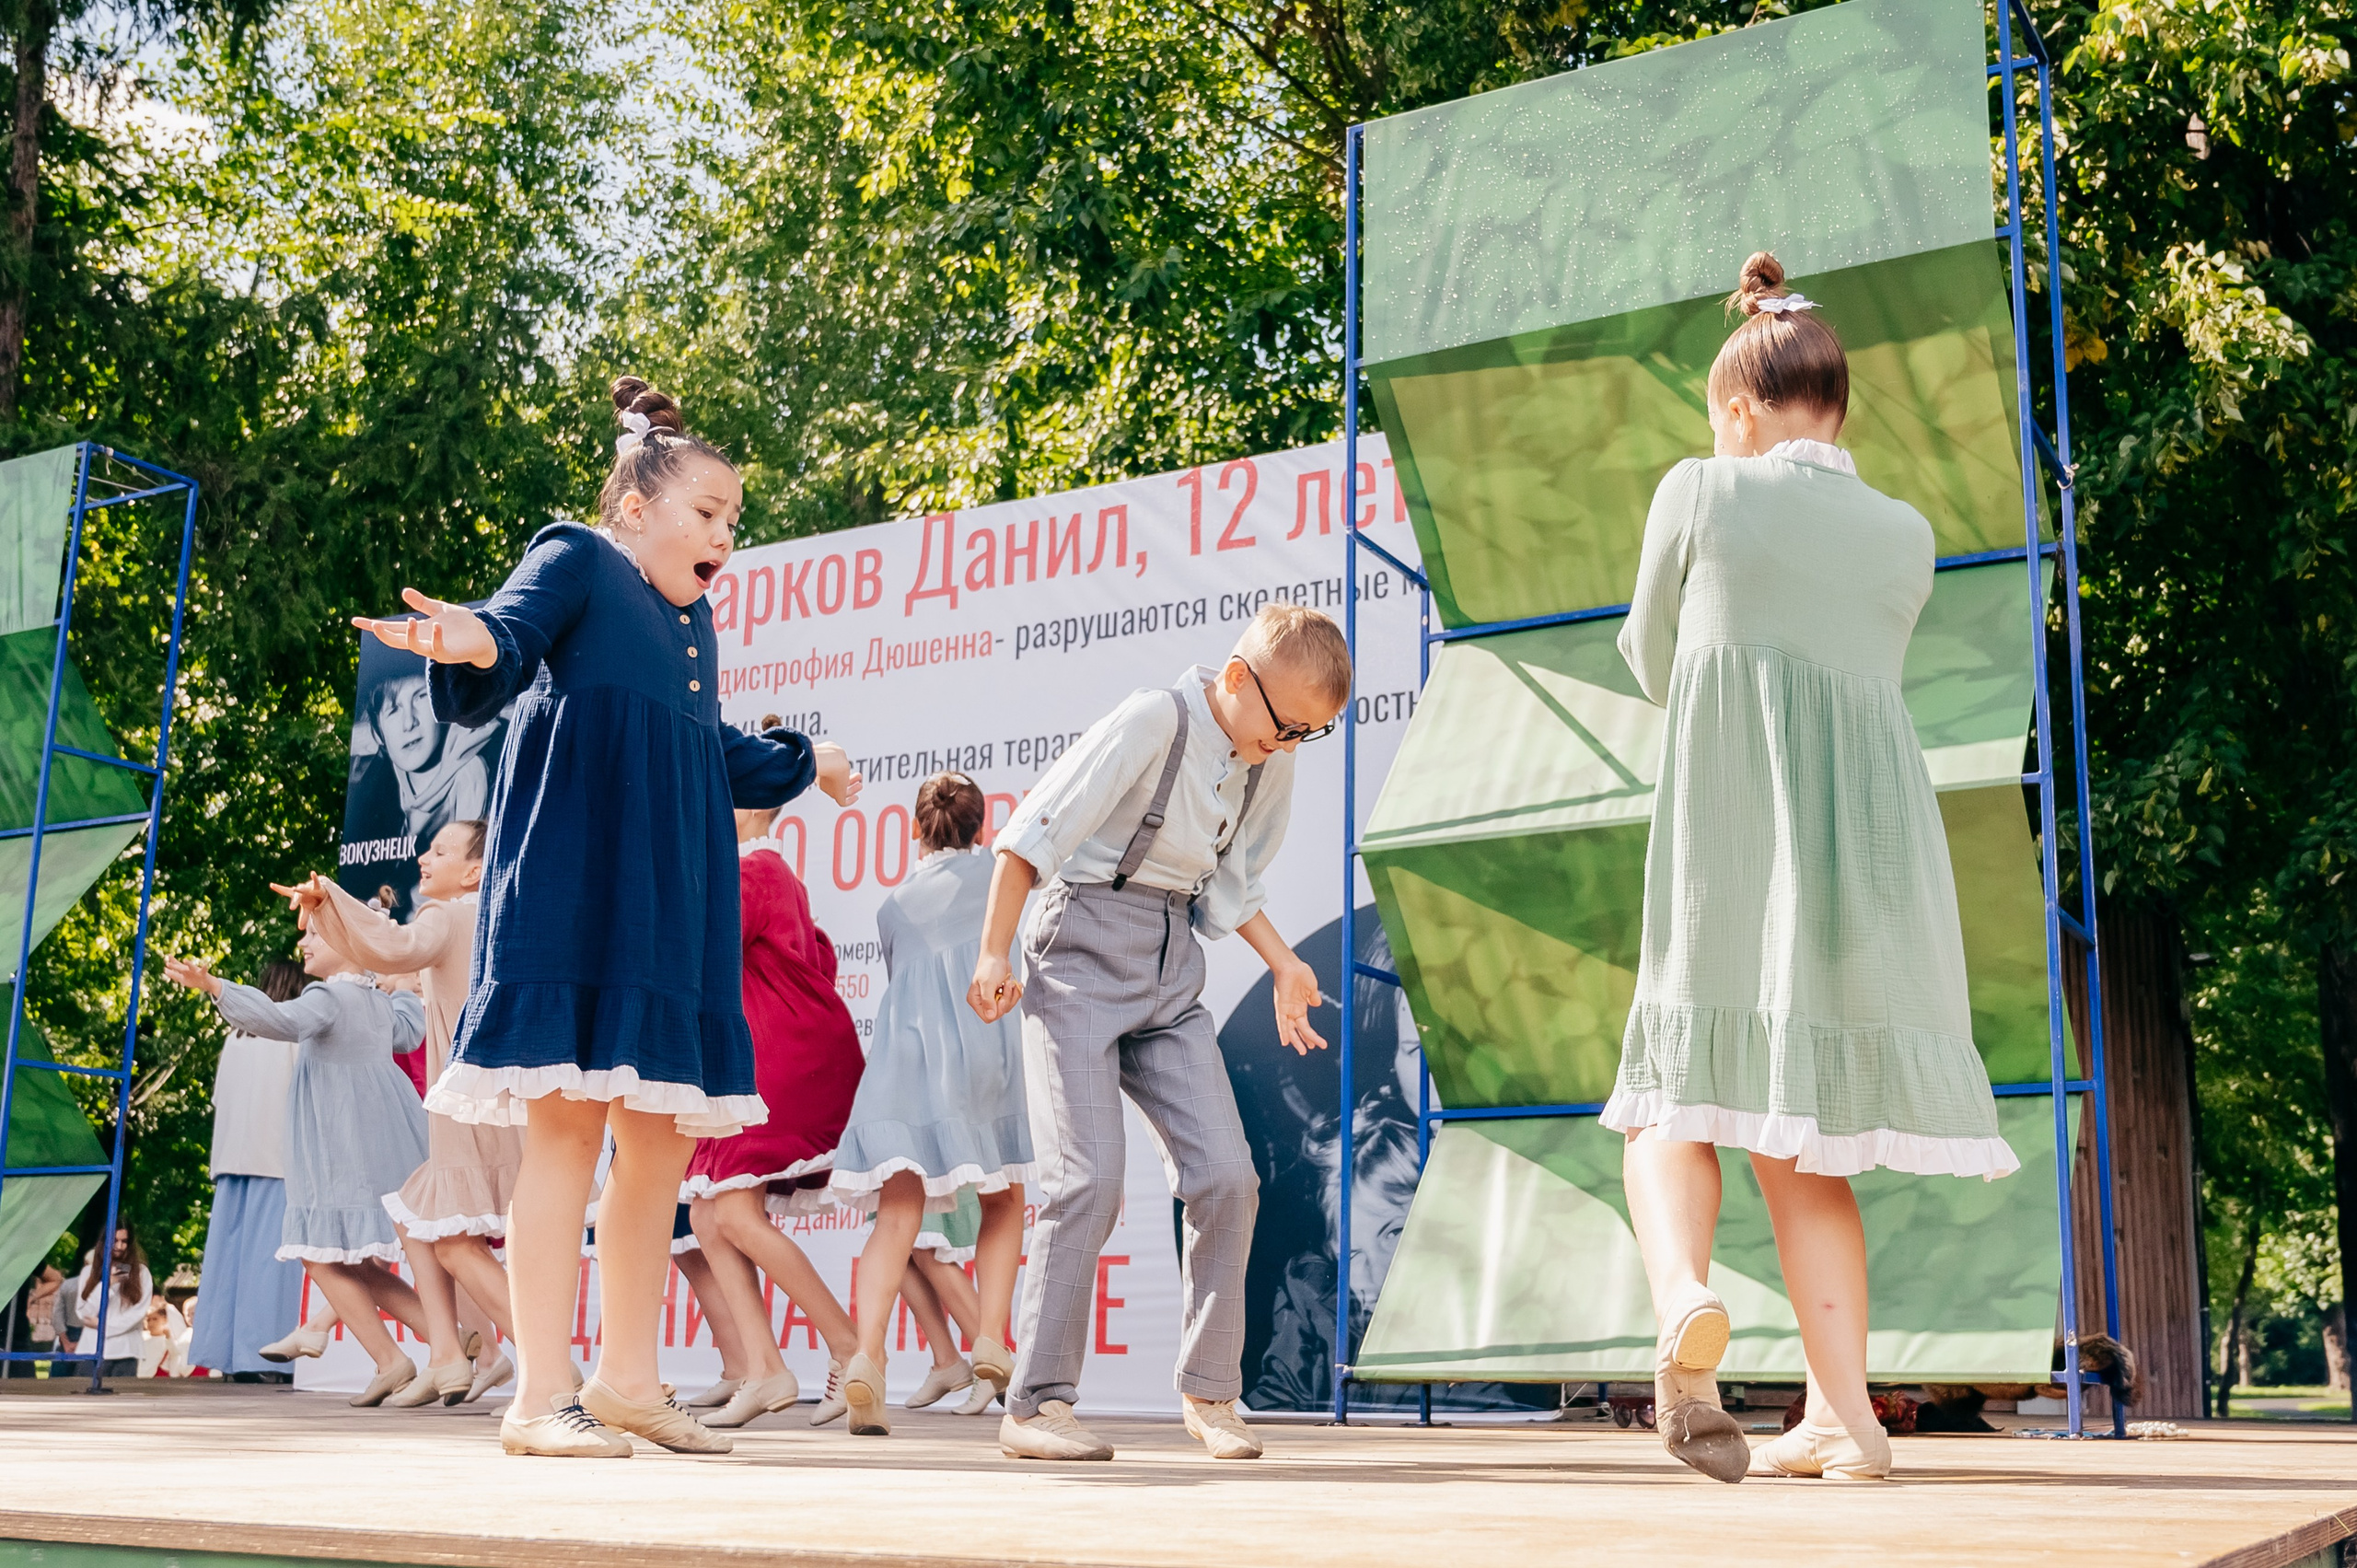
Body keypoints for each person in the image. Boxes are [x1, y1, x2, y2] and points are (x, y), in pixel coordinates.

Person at [356, 375, 859, 1458]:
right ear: (636, 509)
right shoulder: (579, 556)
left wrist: (807, 761)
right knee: (568, 1137)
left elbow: (701, 748)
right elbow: (510, 631)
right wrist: (464, 644)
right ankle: (540, 1395)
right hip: (572, 898)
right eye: (709, 512)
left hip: (668, 911)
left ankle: (631, 1381)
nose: (727, 533)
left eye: (734, 519)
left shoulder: (695, 623)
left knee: (658, 1148)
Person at [1602, 252, 2020, 1486]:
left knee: (1664, 1101)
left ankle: (1682, 1294)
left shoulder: (1702, 489)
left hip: (1730, 843)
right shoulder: (1908, 531)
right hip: (1865, 865)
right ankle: (1852, 1419)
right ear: (1836, 404)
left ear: (1737, 409)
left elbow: (1650, 655)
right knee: (1811, 1150)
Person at [970, 603, 1352, 1462]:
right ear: (1235, 680)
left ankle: (1212, 1393)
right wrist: (995, 949)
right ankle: (1035, 1406)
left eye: (1311, 735)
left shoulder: (1267, 762)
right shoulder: (1155, 720)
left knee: (1228, 1175)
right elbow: (1031, 835)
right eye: (1288, 726)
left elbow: (1231, 890)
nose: (1290, 746)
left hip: (1171, 965)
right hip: (1076, 952)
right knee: (1088, 1181)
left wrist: (1286, 963)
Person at [278, 819, 523, 1406]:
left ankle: (543, 1362)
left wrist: (329, 903)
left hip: (469, 1094)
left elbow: (396, 949)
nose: (423, 856)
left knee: (451, 1238)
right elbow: (404, 971)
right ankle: (450, 1357)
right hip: (490, 1090)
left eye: (440, 850)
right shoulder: (489, 916)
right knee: (430, 1224)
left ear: (472, 870)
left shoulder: (448, 916)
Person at [826, 772, 1031, 1435]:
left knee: (897, 1216)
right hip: (983, 1053)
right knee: (1003, 1198)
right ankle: (992, 1339)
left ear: (917, 829)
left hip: (904, 1066)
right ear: (982, 826)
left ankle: (867, 1355)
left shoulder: (893, 907)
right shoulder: (1004, 879)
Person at [161, 926, 437, 1408]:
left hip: (336, 1147)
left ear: (348, 946)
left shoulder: (326, 998)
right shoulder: (375, 1003)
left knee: (320, 1256)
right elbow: (409, 1029)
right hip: (383, 1135)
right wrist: (409, 989)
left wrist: (215, 986)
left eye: (316, 936)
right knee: (360, 1263)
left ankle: (396, 1355)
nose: (304, 945)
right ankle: (449, 1341)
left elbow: (276, 1020)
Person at [686, 803, 865, 1431]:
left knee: (730, 1210)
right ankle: (765, 1368)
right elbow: (819, 958)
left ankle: (850, 1347)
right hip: (765, 1051)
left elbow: (698, 957)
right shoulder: (777, 874)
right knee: (710, 1213)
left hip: (773, 1056)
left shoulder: (752, 871)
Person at [189, 958, 309, 1379]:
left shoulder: (235, 1039)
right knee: (269, 1266)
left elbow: (220, 1099)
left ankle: (224, 1353)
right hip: (276, 1159)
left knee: (228, 1263)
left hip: (230, 1159)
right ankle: (263, 1357)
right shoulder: (292, 1036)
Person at [71, 1224, 152, 1377]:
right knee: (84, 1399)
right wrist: (108, 1284)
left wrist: (102, 1326)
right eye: (114, 1241)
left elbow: (137, 1314)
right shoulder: (89, 1272)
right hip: (91, 1350)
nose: (119, 1246)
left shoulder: (141, 1273)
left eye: (124, 1241)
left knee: (121, 1400)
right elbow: (84, 1313)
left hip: (125, 1351)